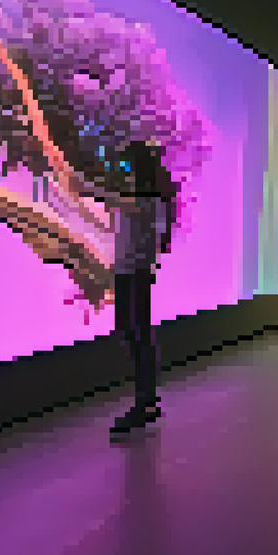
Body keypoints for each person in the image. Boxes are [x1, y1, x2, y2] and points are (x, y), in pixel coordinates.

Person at [109, 140, 177, 436]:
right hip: (127, 272)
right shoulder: (143, 199)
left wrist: (79, 184)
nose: (124, 170)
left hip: (136, 272)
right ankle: (146, 399)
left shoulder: (148, 202)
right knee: (130, 330)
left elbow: (105, 196)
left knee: (137, 332)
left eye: (127, 164)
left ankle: (146, 401)